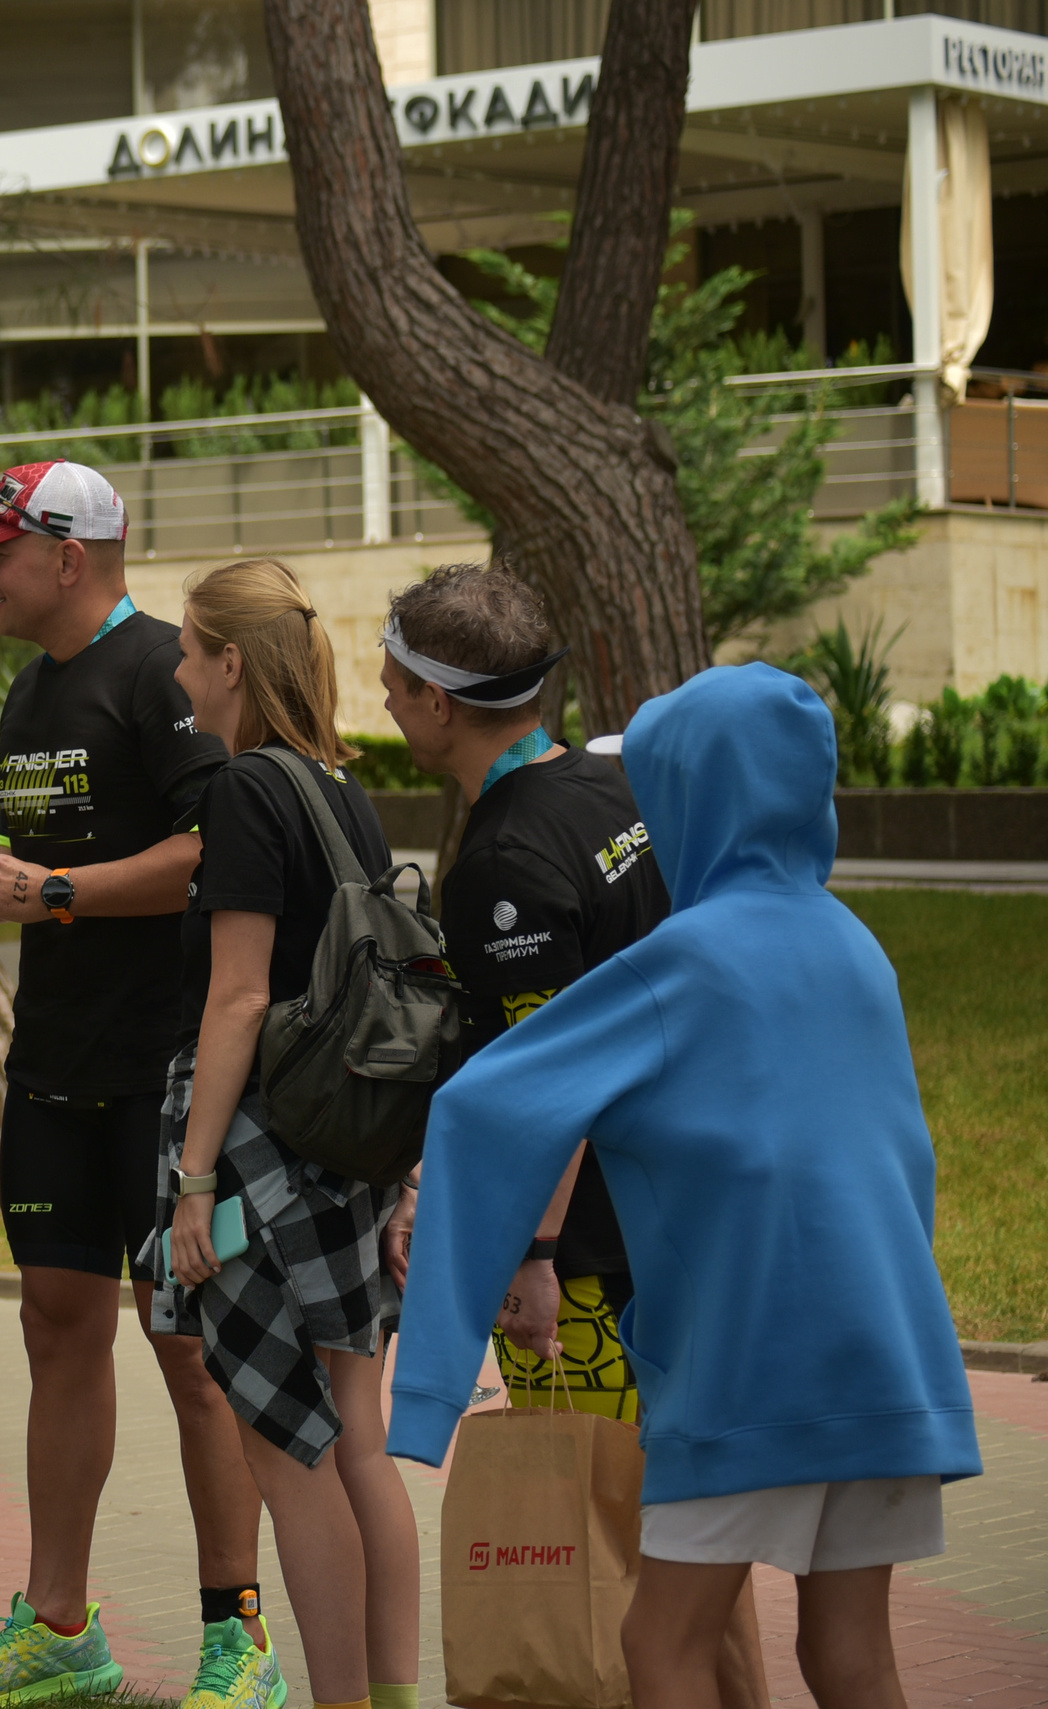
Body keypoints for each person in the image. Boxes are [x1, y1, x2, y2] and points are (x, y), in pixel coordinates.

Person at [390, 662, 985, 1709]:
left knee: (660, 1642)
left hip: (748, 1358)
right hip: (888, 1352)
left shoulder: (682, 962)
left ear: (687, 800)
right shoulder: (856, 946)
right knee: (851, 1653)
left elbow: (486, 1104)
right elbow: (901, 1155)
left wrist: (432, 1377)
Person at [374, 565, 774, 1709]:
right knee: (688, 1523)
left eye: (397, 683)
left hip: (596, 1252)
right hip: (691, 1211)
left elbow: (553, 1085)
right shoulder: (616, 786)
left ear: (439, 701)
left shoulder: (504, 860)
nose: (388, 702)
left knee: (618, 1533)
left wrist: (536, 1257)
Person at [0, 462, 273, 1709]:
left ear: (67, 556)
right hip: (55, 1063)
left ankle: (238, 1635)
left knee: (190, 1351)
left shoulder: (163, 669)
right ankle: (60, 1626)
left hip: (166, 1074)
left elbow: (214, 847)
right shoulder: (30, 686)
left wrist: (50, 891)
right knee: (53, 1329)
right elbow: (54, 862)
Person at [161, 557, 419, 1709]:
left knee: (286, 1443)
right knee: (358, 1438)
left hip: (266, 1160)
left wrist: (190, 1176)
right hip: (349, 1147)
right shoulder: (337, 784)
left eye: (186, 648)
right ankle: (390, 1695)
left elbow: (238, 996)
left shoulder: (243, 791)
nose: (176, 670)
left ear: (229, 661)